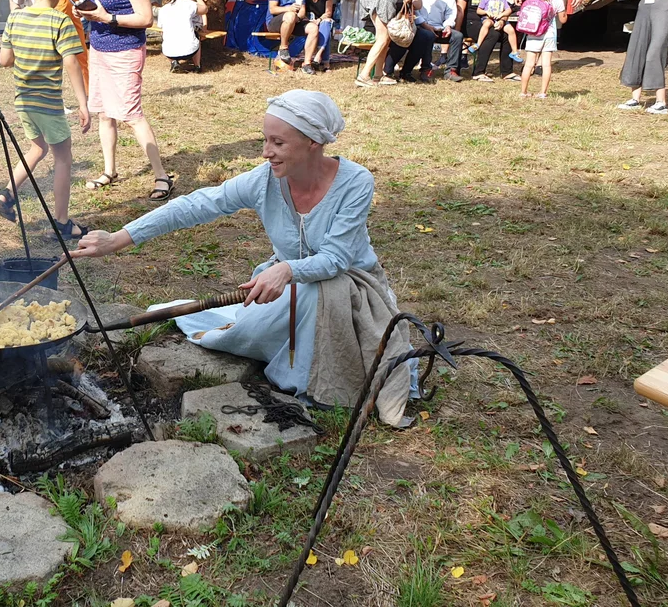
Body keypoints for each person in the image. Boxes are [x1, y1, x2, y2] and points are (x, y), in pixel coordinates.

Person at [72, 90, 419, 427]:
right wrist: (118, 238)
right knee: (242, 329)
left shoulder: (355, 182)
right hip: (284, 285)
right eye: (265, 140)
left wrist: (286, 270)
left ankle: (313, 383)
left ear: (313, 142)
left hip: (352, 289)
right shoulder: (264, 180)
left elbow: (336, 260)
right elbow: (197, 204)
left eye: (278, 143)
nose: (267, 152)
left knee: (314, 293)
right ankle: (278, 347)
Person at [0, 0, 91, 240]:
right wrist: (83, 104)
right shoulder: (60, 22)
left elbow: (4, 59)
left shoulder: (16, 17)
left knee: (38, 149)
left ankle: (6, 194)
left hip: (24, 102)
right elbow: (72, 63)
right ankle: (61, 223)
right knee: (63, 158)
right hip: (47, 104)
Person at [75, 0, 172, 201]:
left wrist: (107, 17)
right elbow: (102, 0)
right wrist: (87, 9)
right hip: (100, 49)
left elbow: (145, 18)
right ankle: (110, 171)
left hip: (125, 51)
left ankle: (162, 176)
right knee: (105, 113)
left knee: (131, 115)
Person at [458, 0, 518, 82]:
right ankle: (479, 72)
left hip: (492, 21)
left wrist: (502, 21)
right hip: (471, 22)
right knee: (493, 34)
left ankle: (507, 72)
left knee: (507, 33)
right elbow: (460, 9)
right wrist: (457, 32)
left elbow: (507, 8)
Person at [518, 0, 568, 98]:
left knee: (529, 64)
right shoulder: (558, 1)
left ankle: (523, 92)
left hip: (533, 33)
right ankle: (542, 92)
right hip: (549, 34)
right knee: (546, 64)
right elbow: (563, 19)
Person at [414, 0, 463, 81]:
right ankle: (425, 69)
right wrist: (425, 25)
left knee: (457, 36)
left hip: (440, 27)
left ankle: (451, 71)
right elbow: (414, 11)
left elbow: (451, 12)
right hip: (421, 26)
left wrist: (448, 25)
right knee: (427, 35)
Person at [468, 0, 522, 66]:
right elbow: (479, 10)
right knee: (487, 24)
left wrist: (502, 15)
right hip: (489, 18)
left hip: (500, 19)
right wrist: (486, 12)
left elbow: (508, 10)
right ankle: (478, 44)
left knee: (511, 30)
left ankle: (514, 51)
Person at [266, 0, 308, 66]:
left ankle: (308, 63)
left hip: (294, 20)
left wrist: (298, 17)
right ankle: (283, 48)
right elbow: (272, 9)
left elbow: (302, 9)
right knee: (290, 15)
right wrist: (289, 9)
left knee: (313, 28)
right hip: (275, 21)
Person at [157, 0, 206, 72]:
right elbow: (204, 9)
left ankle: (174, 62)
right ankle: (197, 66)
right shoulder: (188, 4)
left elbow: (161, 30)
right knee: (196, 35)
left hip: (169, 52)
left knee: (165, 35)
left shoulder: (163, 10)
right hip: (190, 50)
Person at [302, 0, 335, 75]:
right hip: (308, 20)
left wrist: (318, 20)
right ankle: (325, 63)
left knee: (326, 23)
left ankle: (318, 54)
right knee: (323, 27)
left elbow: (328, 12)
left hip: (322, 19)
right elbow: (302, 10)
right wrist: (309, 20)